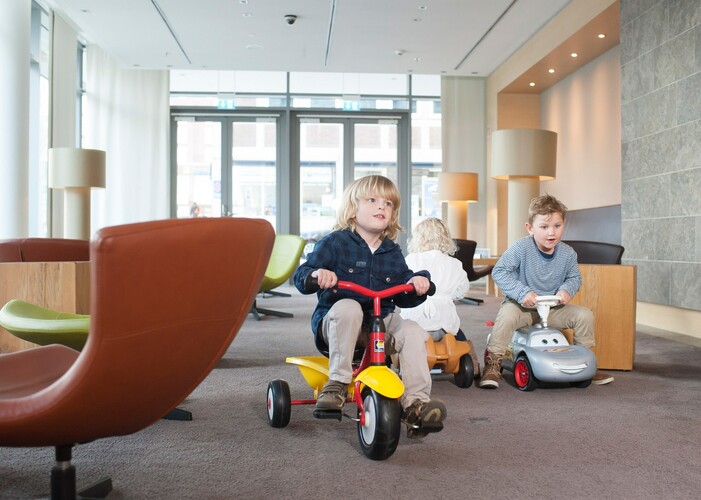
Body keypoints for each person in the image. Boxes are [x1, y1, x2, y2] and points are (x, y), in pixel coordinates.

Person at [293, 175, 447, 436]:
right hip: (337, 325)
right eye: (372, 200)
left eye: (388, 203)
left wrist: (417, 283)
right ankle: (338, 383)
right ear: (353, 209)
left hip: (380, 322)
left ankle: (416, 404)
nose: (381, 207)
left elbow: (403, 291)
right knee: (349, 307)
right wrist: (317, 274)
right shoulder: (334, 243)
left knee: (411, 330)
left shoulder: (392, 251)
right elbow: (302, 274)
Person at [478, 193, 614, 389]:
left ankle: (586, 363)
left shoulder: (567, 253)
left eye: (557, 226)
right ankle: (493, 363)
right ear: (530, 228)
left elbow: (574, 277)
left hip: (552, 309)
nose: (551, 233)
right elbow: (499, 271)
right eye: (544, 227)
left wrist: (566, 291)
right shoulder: (521, 247)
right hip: (522, 307)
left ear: (563, 225)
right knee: (507, 315)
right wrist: (522, 293)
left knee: (584, 315)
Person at [399, 217, 470, 343]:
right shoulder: (455, 264)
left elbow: (401, 286)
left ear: (418, 238)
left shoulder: (411, 259)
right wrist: (446, 295)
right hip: (445, 325)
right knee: (462, 341)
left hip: (415, 322)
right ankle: (471, 359)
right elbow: (462, 291)